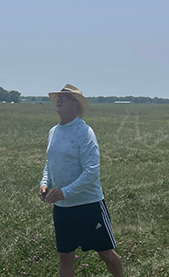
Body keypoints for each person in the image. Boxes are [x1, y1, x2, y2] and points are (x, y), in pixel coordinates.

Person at [39, 84, 123, 277]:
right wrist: (45, 183)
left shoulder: (85, 132)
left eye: (64, 98)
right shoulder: (53, 131)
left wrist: (65, 192)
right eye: (58, 98)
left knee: (106, 253)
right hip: (62, 208)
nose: (58, 101)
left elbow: (92, 172)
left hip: (89, 205)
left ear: (76, 105)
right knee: (65, 257)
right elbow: (50, 163)